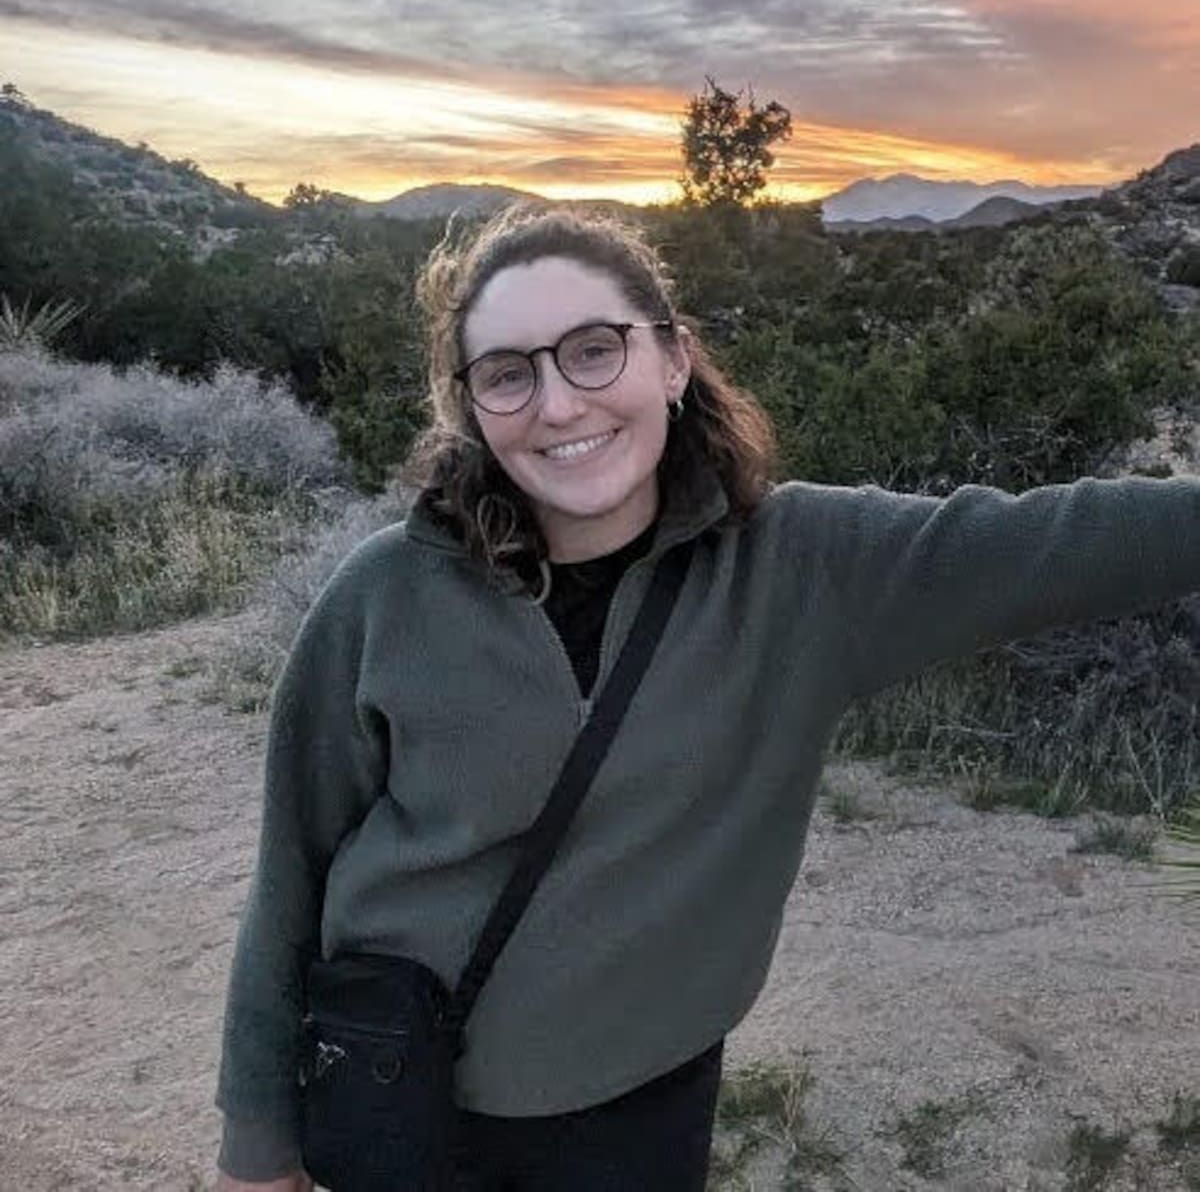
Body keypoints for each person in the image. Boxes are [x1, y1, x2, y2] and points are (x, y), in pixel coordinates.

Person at [214, 205, 1200, 1190]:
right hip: (394, 1083)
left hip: (640, 1112)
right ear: (471, 406)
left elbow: (1058, 542)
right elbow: (294, 870)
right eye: (508, 373)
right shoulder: (385, 595)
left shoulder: (802, 574)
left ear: (673, 360)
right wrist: (256, 1143)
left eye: (593, 351)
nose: (557, 404)